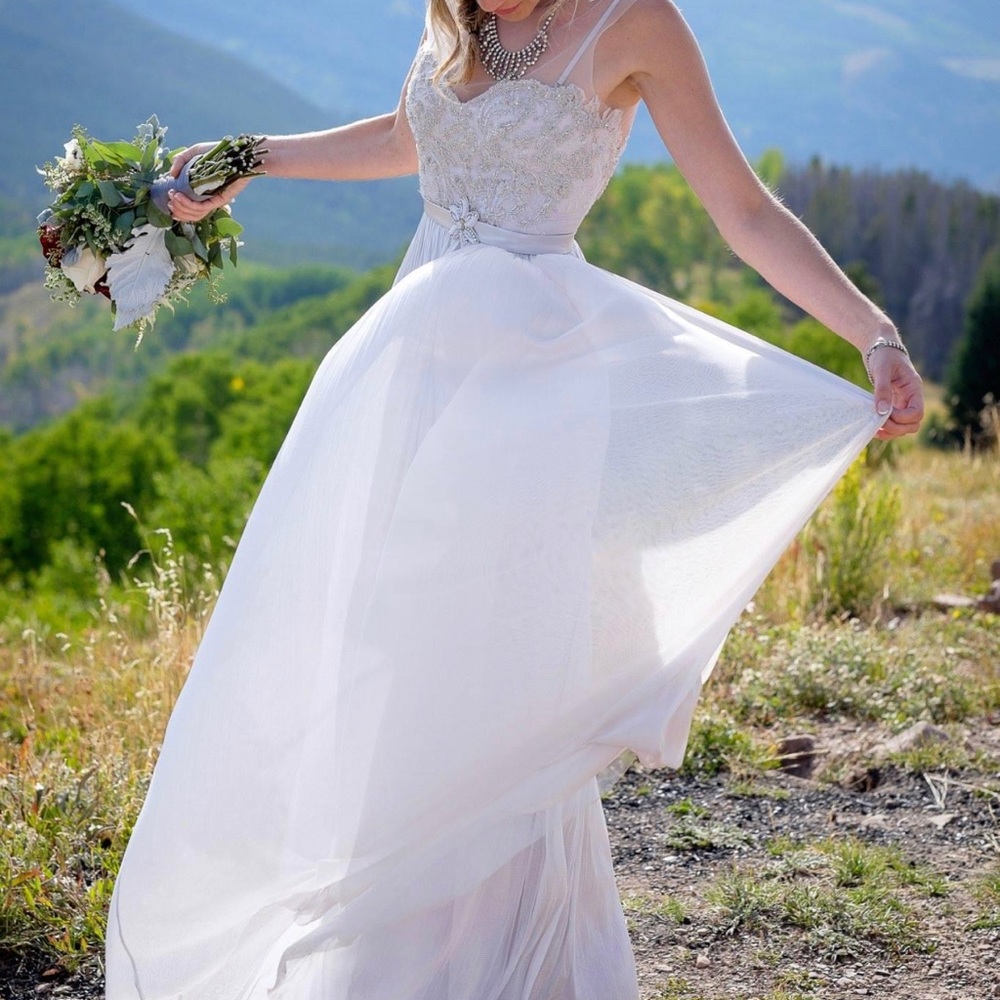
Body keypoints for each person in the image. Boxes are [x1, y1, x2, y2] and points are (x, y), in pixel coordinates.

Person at [105, 1, 924, 997]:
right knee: (396, 666)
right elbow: (409, 137)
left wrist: (872, 332)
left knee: (495, 679)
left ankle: (507, 967)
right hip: (409, 378)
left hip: (532, 397)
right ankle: (392, 965)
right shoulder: (459, 20)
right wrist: (247, 154)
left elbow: (742, 210)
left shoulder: (637, 25)